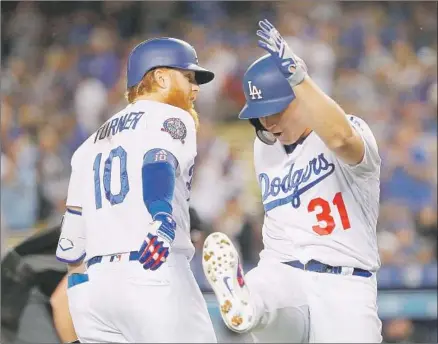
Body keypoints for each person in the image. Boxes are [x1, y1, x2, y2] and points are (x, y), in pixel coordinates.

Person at [203, 19, 382, 343]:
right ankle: (248, 301)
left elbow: (342, 139)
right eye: (261, 114)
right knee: (265, 292)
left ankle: (253, 303)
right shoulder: (264, 148)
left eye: (276, 111)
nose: (268, 123)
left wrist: (299, 78)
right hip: (283, 272)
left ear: (301, 98)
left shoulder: (350, 129)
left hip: (343, 284)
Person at [55, 37, 217, 343]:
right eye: (189, 77)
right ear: (160, 77)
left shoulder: (88, 145)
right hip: (152, 268)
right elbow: (158, 161)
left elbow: (71, 238)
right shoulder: (171, 115)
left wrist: (79, 290)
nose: (195, 88)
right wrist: (161, 217)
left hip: (94, 289)